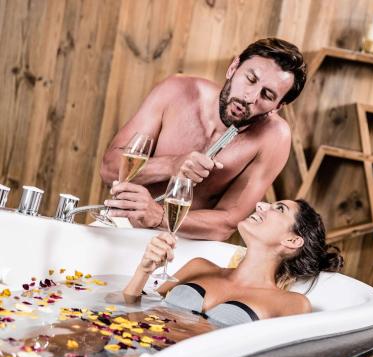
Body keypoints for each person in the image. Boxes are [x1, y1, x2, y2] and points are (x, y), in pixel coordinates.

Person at [101, 38, 307, 241]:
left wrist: (158, 216)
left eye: (267, 95)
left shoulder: (275, 138)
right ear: (233, 67)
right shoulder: (176, 90)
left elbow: (226, 223)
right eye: (250, 79)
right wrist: (171, 165)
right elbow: (109, 169)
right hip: (121, 225)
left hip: (186, 245)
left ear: (278, 106)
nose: (249, 97)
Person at [123, 199, 344, 326]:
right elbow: (133, 308)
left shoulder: (292, 304)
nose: (260, 205)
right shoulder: (199, 267)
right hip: (136, 350)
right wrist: (143, 270)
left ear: (292, 240)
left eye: (279, 209)